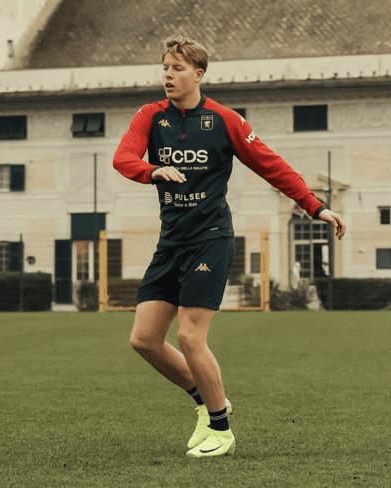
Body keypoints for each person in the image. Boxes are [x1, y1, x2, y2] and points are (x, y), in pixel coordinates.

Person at [112, 35, 346, 458]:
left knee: (189, 336)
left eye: (177, 68)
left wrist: (316, 206)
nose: (168, 75)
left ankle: (221, 430)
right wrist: (152, 171)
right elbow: (123, 158)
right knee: (144, 340)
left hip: (210, 239)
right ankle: (208, 402)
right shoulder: (150, 116)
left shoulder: (225, 120)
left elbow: (272, 166)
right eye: (164, 67)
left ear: (198, 74)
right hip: (171, 241)